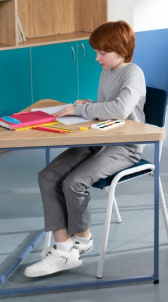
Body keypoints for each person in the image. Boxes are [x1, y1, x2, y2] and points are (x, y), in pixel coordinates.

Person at [24, 21, 146, 277]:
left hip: (124, 146)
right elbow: (106, 106)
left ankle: (83, 237)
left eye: (102, 52)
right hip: (100, 138)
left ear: (121, 50)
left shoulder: (133, 73)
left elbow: (120, 110)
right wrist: (88, 103)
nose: (96, 57)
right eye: (96, 52)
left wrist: (80, 109)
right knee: (47, 176)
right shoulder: (107, 71)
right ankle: (65, 248)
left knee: (74, 183)